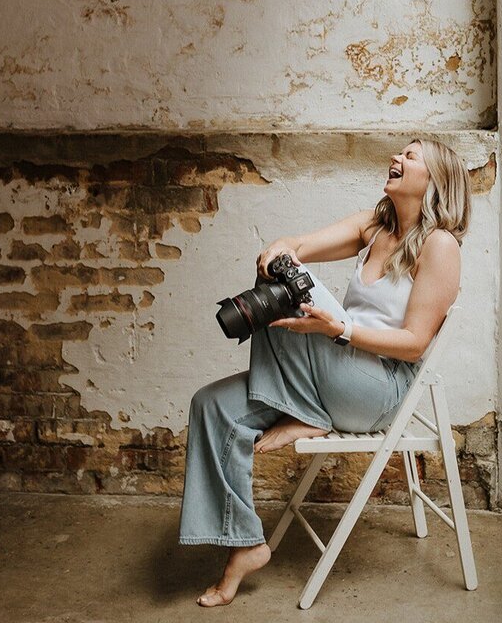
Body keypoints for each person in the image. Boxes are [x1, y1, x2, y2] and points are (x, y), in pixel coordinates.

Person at [178, 138, 471, 607]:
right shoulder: (375, 225)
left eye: (412, 157)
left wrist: (342, 328)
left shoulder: (440, 247)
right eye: (401, 152)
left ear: (435, 182)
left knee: (285, 295)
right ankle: (245, 546)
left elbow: (415, 344)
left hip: (377, 388)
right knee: (211, 405)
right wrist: (282, 246)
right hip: (328, 369)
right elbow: (298, 247)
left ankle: (307, 415)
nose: (397, 158)